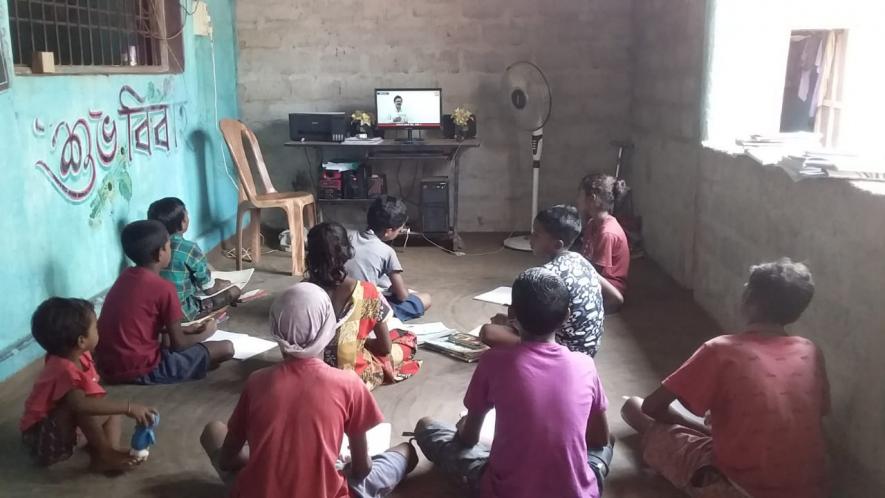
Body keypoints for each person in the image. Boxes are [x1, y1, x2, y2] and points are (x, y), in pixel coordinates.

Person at [620, 259, 829, 498]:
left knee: (633, 407)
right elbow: (814, 412)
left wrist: (700, 429)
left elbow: (651, 406)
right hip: (811, 487)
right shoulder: (810, 351)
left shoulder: (721, 350)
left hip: (741, 487)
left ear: (749, 297)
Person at [200, 282, 418, 498]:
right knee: (405, 452)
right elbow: (361, 470)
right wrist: (334, 466)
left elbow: (227, 461)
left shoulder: (256, 382)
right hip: (330, 490)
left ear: (275, 329)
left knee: (213, 430)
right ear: (329, 328)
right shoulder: (349, 384)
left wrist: (269, 460)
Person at [414, 268, 613, 498]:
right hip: (577, 493)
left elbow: (469, 438)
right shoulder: (585, 364)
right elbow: (600, 439)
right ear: (567, 315)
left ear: (512, 314)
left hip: (505, 491)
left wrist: (465, 427)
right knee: (606, 445)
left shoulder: (493, 361)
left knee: (427, 427)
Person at [20, 297, 156, 471]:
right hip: (43, 440)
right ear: (81, 341)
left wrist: (120, 408)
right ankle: (106, 453)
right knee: (83, 407)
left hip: (66, 431)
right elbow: (80, 405)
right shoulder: (64, 370)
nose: (99, 330)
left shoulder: (78, 354)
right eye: (96, 327)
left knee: (110, 409)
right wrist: (129, 407)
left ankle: (107, 453)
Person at [95, 220, 234, 384]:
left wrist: (187, 329)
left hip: (106, 367)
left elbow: (143, 323)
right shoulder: (164, 288)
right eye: (168, 246)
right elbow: (179, 345)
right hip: (142, 369)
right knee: (226, 348)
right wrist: (206, 333)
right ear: (159, 254)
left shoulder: (124, 278)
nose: (170, 249)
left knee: (167, 340)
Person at [480, 205, 623, 356]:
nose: (530, 238)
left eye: (536, 235)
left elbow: (534, 327)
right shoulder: (580, 260)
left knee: (489, 332)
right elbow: (616, 298)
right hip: (589, 350)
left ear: (557, 244)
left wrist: (510, 321)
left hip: (563, 352)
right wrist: (583, 318)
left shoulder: (546, 278)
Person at [308, 222, 421, 390]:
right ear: (348, 251)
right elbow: (385, 348)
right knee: (407, 339)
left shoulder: (301, 292)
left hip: (311, 372)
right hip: (351, 376)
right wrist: (363, 342)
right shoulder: (367, 291)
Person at [148, 197, 241, 321]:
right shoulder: (189, 248)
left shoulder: (148, 247)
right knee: (234, 291)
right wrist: (221, 283)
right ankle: (204, 313)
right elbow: (209, 289)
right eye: (187, 215)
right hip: (182, 311)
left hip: (156, 309)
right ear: (183, 222)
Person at [344, 195, 431, 322]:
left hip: (339, 302)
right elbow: (402, 296)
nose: (400, 232)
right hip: (364, 310)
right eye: (399, 230)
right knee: (426, 298)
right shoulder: (387, 252)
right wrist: (404, 291)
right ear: (388, 231)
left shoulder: (348, 236)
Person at [577, 173, 630, 299]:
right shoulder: (592, 224)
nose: (577, 199)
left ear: (592, 199)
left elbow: (595, 272)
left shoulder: (607, 233)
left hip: (610, 287)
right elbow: (585, 258)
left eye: (580, 195)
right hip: (597, 279)